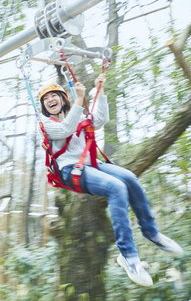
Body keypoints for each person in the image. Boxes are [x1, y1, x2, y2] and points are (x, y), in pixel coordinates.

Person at [38, 77, 183, 287]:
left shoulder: (75, 114)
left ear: (62, 98)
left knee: (130, 179)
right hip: (70, 171)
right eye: (46, 99)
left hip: (91, 165)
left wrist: (101, 90)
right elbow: (65, 130)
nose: (50, 100)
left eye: (54, 96)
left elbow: (99, 120)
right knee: (116, 187)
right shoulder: (45, 123)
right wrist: (79, 99)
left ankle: (151, 232)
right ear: (43, 106)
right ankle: (129, 257)